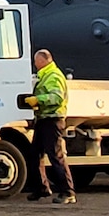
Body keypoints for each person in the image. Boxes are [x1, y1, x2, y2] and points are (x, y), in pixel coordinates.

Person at [27, 49, 74, 204]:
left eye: (36, 61)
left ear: (42, 61)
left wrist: (38, 100)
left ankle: (68, 192)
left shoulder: (53, 76)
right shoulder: (45, 75)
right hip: (43, 120)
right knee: (34, 155)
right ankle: (41, 188)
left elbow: (56, 97)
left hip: (53, 120)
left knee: (56, 156)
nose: (34, 64)